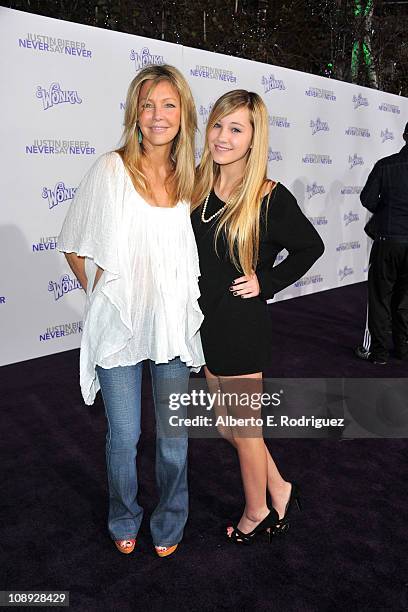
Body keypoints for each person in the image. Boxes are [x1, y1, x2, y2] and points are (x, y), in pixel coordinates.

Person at [57, 64, 204, 557]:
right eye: (148, 105)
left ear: (183, 113)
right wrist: (103, 296)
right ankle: (124, 515)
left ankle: (170, 521)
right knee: (124, 437)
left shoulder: (192, 179)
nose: (158, 115)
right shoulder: (110, 169)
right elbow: (73, 244)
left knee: (174, 439)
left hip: (171, 328)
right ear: (134, 114)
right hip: (120, 328)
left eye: (168, 104)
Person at [191, 90, 324, 544]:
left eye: (236, 128)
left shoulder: (268, 196)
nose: (223, 137)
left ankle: (258, 511)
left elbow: (311, 247)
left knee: (245, 432)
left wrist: (265, 282)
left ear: (253, 138)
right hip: (206, 325)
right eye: (218, 125)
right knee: (228, 427)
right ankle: (281, 488)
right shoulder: (197, 187)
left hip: (242, 327)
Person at [355, 122, 408, 365]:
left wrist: (384, 211)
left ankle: (379, 354)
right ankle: (404, 351)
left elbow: (367, 198)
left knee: (380, 298)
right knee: (405, 299)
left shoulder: (385, 165)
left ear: (405, 135)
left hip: (387, 240)